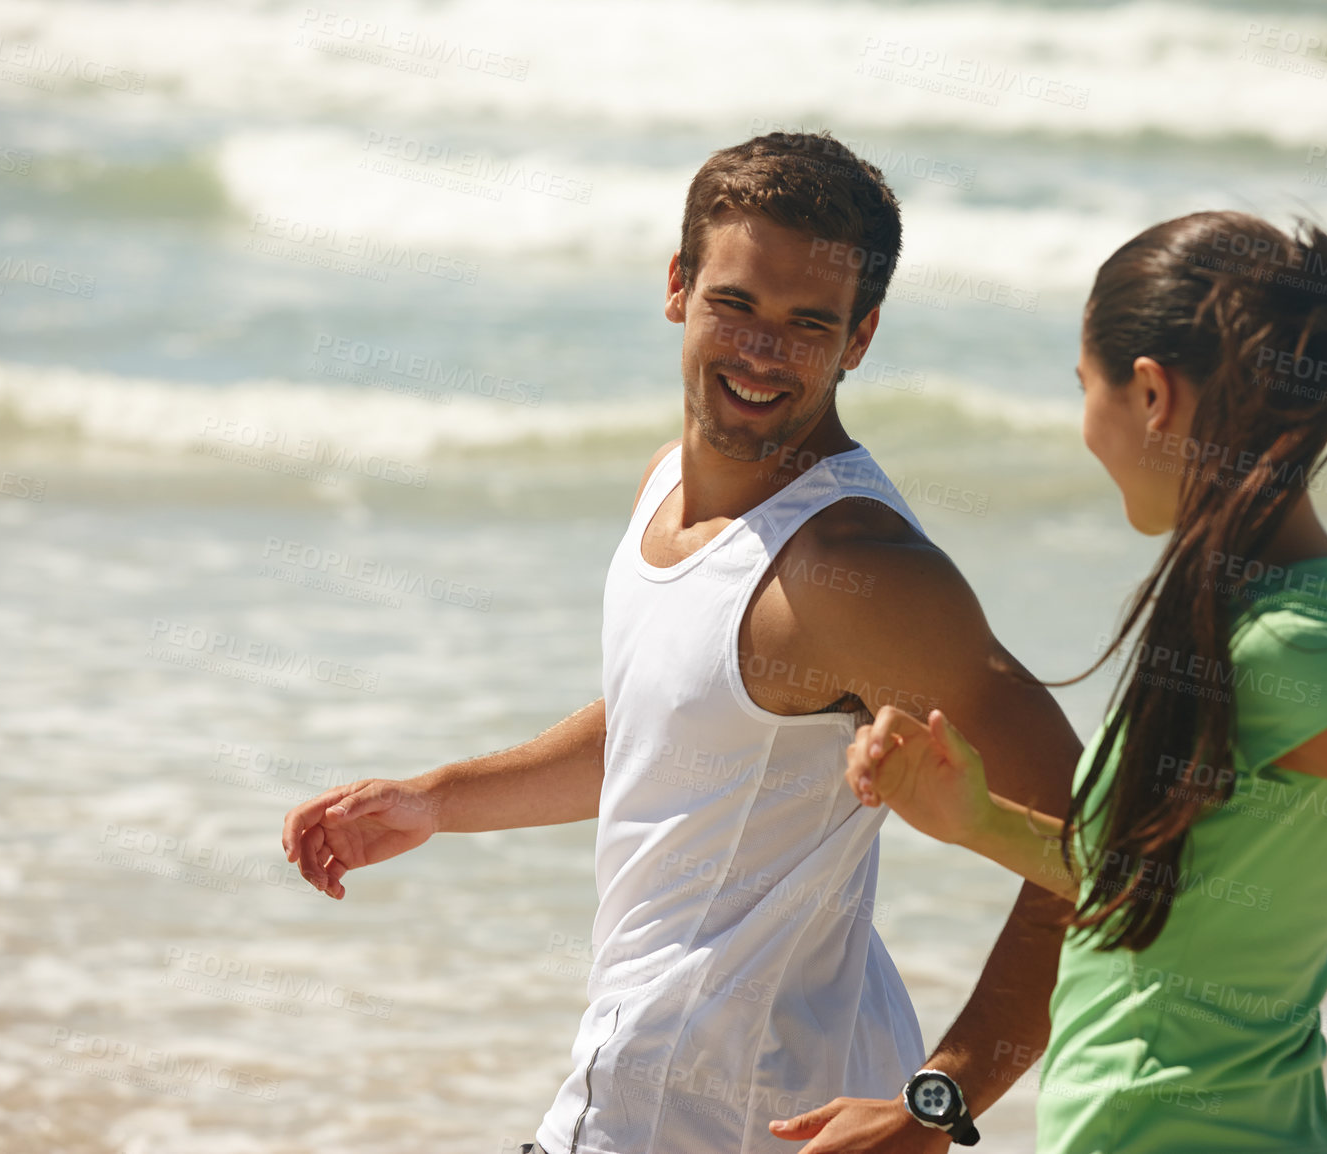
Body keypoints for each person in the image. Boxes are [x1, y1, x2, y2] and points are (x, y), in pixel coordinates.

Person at [281, 132, 1088, 1154]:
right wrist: (441, 798)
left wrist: (939, 1100)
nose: (761, 351)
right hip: (644, 1096)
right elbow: (675, 716)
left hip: (755, 1122)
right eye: (735, 305)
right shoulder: (669, 483)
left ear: (861, 335)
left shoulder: (857, 568)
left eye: (807, 325)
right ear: (677, 285)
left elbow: (1100, 847)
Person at [834, 211, 1327, 1154]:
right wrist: (982, 821)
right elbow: (1179, 888)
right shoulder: (1314, 592)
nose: (1085, 427)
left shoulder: (1281, 646)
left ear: (1153, 394)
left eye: (1085, 389)